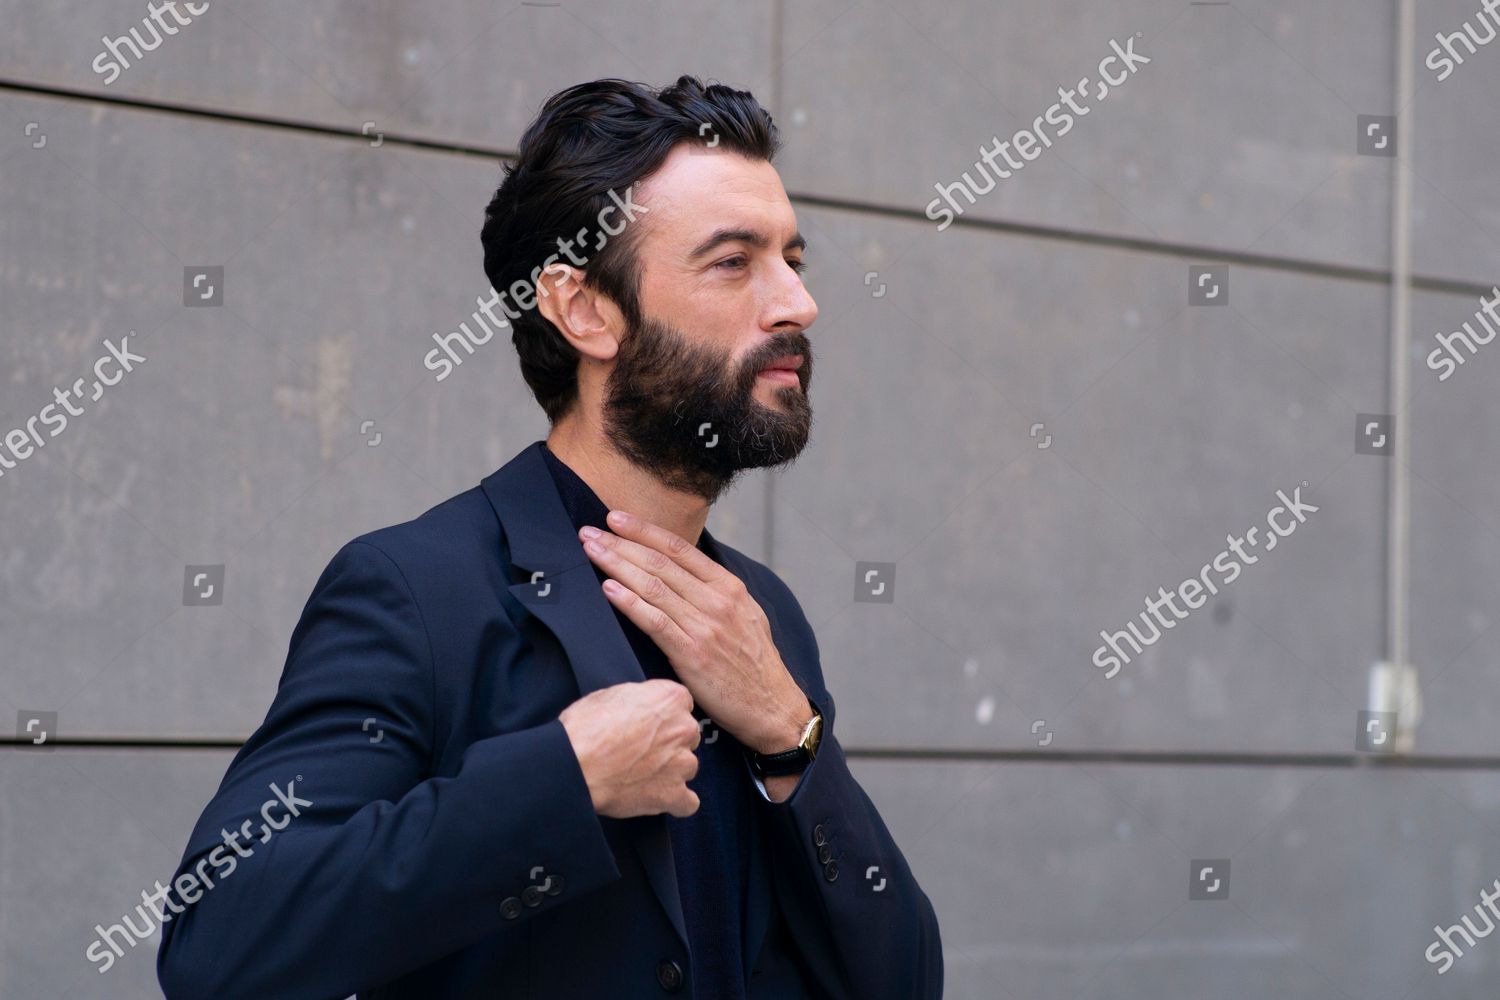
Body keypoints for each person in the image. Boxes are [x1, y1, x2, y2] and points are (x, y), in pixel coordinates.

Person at [157, 74, 942, 999]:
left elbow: (902, 981)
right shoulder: (417, 590)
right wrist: (562, 782)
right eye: (734, 262)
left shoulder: (763, 616)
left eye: (794, 259)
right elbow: (221, 938)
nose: (796, 304)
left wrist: (791, 741)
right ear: (584, 310)